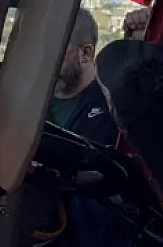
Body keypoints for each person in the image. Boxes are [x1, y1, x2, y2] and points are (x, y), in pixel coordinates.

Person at [46, 8, 119, 147]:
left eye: (55, 49)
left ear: (85, 53)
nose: (46, 59)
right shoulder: (32, 100)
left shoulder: (111, 109)